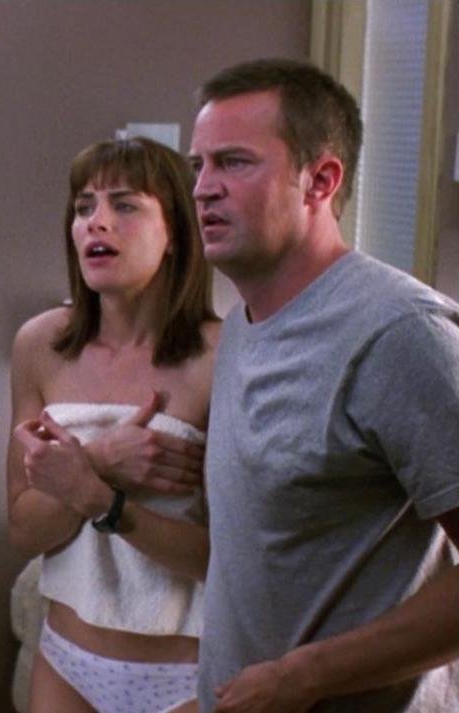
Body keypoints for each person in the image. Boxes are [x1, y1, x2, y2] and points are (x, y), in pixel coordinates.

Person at [188, 58, 459, 712]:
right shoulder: (241, 326)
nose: (202, 188)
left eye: (233, 162)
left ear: (320, 180)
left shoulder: (400, 334)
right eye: (197, 165)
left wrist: (303, 676)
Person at [7, 136, 220, 713]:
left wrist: (100, 497)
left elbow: (226, 563)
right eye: (84, 208)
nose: (96, 222)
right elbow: (24, 531)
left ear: (176, 232)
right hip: (66, 662)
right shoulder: (39, 346)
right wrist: (101, 461)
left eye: (125, 205)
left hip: (184, 675)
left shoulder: (222, 357)